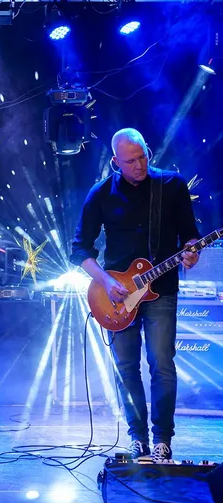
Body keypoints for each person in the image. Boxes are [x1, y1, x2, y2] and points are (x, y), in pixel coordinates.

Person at [71, 128, 200, 463]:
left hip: (161, 290)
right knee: (126, 367)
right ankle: (137, 438)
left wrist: (191, 252)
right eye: (131, 161)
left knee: (162, 364)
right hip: (116, 295)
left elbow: (190, 237)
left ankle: (162, 440)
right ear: (116, 162)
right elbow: (80, 250)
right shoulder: (101, 193)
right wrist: (104, 281)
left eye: (143, 156)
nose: (140, 165)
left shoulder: (172, 185)